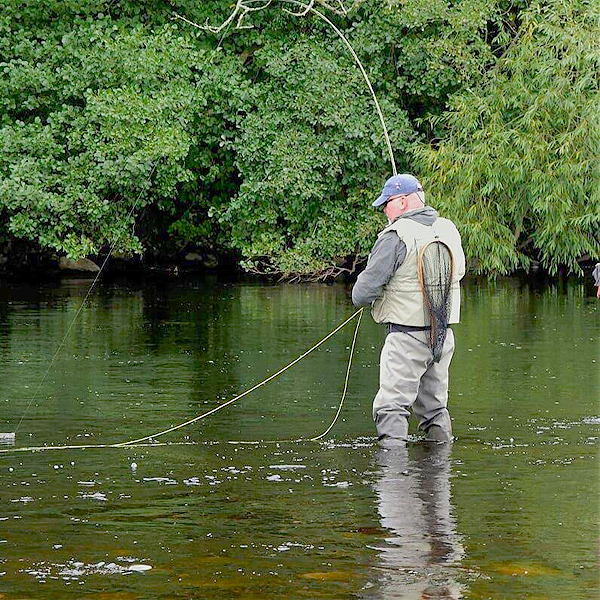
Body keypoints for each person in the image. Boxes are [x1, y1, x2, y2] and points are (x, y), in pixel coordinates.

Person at [352, 174, 465, 447]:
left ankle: (392, 475)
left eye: (386, 204)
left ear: (401, 202)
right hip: (442, 338)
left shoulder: (395, 236)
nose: (384, 211)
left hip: (406, 338)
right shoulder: (448, 229)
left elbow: (362, 294)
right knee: (435, 409)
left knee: (391, 407)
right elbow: (458, 272)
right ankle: (440, 474)